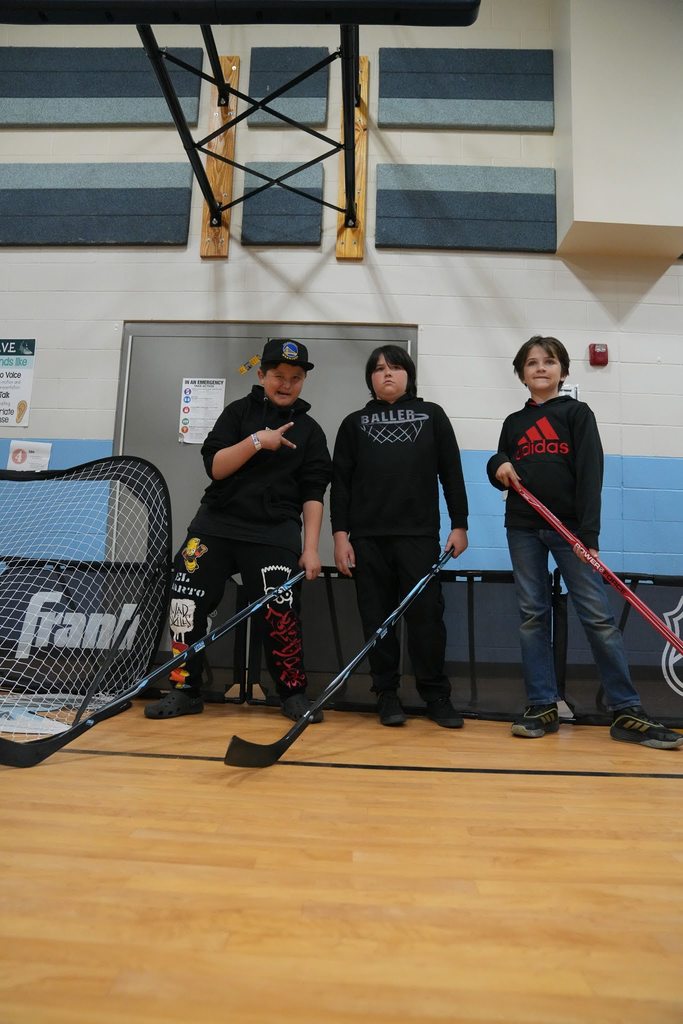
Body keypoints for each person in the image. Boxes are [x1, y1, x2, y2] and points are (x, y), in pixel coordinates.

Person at [487, 334, 682, 749]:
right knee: (532, 615)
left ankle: (626, 709)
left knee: (597, 617)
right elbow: (501, 463)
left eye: (550, 361)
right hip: (523, 527)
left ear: (563, 371)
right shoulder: (513, 422)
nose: (541, 367)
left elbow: (591, 474)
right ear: (522, 374)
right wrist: (496, 463)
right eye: (532, 362)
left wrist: (588, 537)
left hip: (571, 531)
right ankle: (541, 704)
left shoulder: (577, 414)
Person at [145, 338, 332, 722]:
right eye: (278, 376)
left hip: (274, 533)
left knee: (280, 614)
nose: (286, 384)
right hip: (216, 524)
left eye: (295, 378)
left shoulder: (311, 431)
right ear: (262, 375)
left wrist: (311, 548)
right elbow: (216, 466)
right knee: (185, 604)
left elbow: (314, 494)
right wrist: (256, 441)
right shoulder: (236, 413)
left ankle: (292, 694)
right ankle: (184, 689)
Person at [331, 345, 469, 728]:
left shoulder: (433, 416)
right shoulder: (353, 424)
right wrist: (340, 536)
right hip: (367, 539)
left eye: (394, 367)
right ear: (370, 379)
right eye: (378, 369)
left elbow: (452, 473)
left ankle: (436, 695)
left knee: (427, 619)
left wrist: (460, 525)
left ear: (408, 373)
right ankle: (386, 694)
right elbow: (339, 486)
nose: (386, 374)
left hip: (419, 537)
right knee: (377, 620)